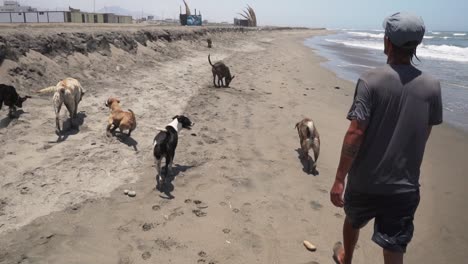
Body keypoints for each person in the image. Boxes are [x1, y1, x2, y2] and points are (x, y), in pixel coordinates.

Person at [330, 12, 443, 264]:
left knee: (353, 219)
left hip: (365, 183)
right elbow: (422, 135)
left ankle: (346, 258)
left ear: (387, 41)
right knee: (394, 246)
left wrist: (339, 178)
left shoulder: (370, 81)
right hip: (404, 186)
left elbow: (355, 132)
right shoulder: (432, 86)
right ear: (417, 45)